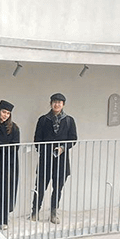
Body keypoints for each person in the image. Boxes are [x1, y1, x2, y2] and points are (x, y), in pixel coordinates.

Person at [31, 92, 79, 224]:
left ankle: (53, 213)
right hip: (45, 160)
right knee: (40, 187)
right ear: (51, 103)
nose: (56, 104)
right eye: (54, 102)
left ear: (63, 104)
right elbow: (37, 139)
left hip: (62, 160)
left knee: (57, 188)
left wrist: (63, 148)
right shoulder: (43, 119)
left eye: (59, 102)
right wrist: (44, 150)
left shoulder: (69, 120)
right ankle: (34, 211)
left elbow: (73, 139)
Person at [0, 101, 22, 227]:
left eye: (8, 113)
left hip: (9, 165)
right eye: (3, 112)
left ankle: (3, 220)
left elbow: (15, 146)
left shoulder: (14, 128)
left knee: (5, 191)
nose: (5, 115)